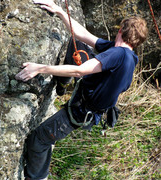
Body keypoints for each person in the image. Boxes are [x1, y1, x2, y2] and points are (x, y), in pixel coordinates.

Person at [15, 0, 148, 179]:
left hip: (79, 112)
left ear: (120, 31)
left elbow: (80, 70)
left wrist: (39, 68)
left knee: (39, 139)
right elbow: (83, 35)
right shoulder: (128, 56)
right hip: (91, 111)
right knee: (80, 45)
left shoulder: (117, 54)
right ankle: (62, 84)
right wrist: (60, 11)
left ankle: (38, 177)